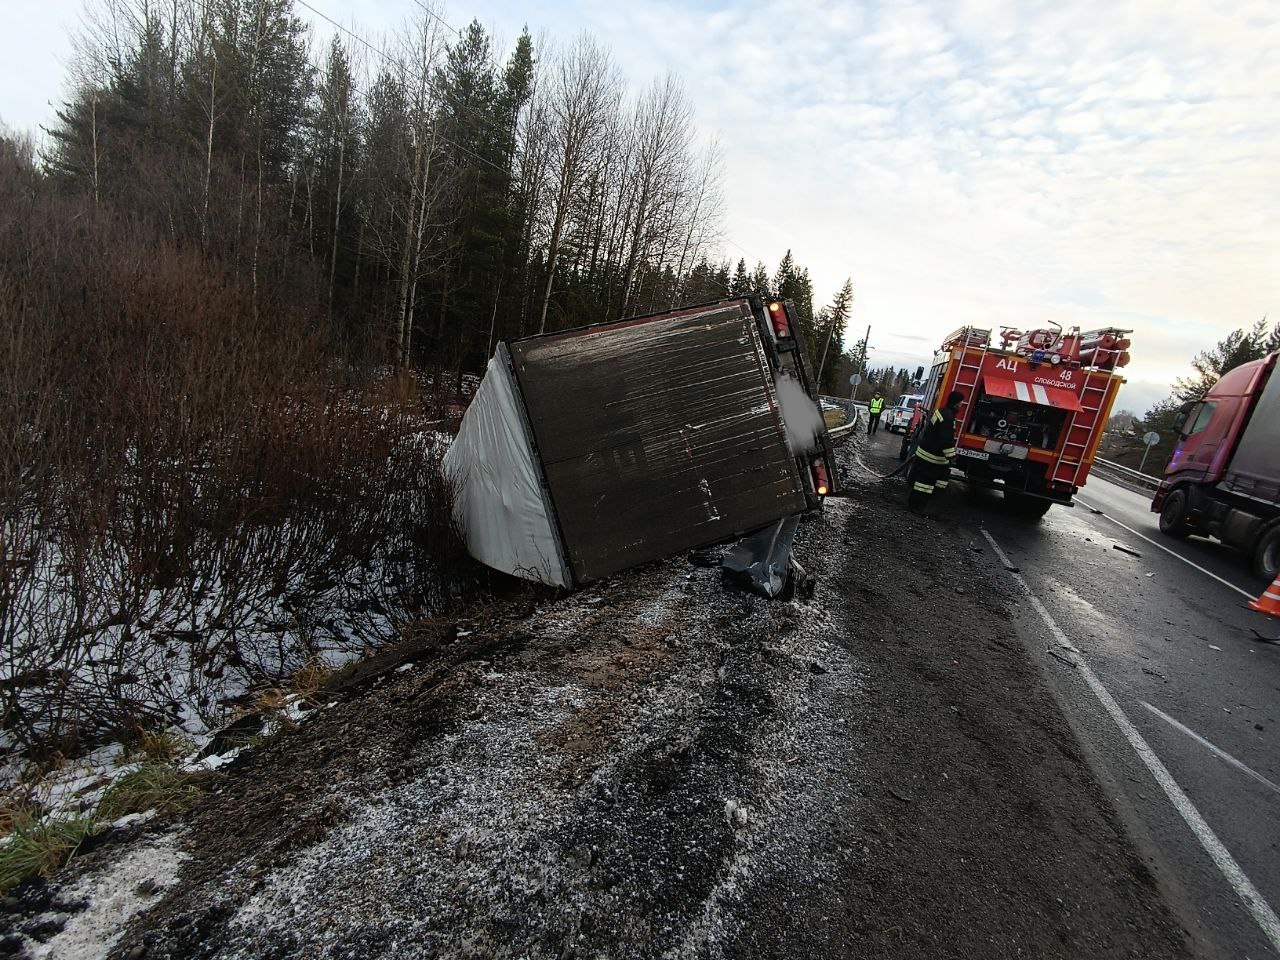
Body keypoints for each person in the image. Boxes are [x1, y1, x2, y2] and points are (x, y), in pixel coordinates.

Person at [908, 390, 964, 512]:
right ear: (956, 403)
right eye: (961, 402)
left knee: (920, 482)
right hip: (932, 457)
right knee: (925, 485)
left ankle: (914, 505)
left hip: (925, 453)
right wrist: (952, 457)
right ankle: (917, 507)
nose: (962, 405)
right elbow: (945, 439)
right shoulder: (948, 417)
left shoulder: (941, 412)